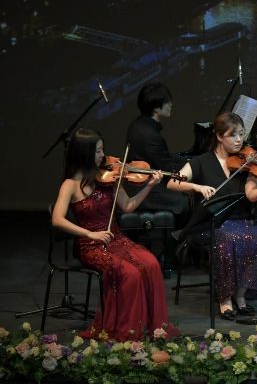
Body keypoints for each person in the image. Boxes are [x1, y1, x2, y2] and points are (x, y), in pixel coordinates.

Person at [51, 128, 176, 341]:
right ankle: (126, 329)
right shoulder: (70, 185)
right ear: (84, 153)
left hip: (116, 239)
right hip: (91, 246)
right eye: (98, 151)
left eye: (102, 150)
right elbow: (57, 219)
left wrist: (149, 185)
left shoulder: (108, 179)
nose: (103, 156)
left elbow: (128, 206)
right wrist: (90, 234)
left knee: (152, 264)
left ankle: (148, 326)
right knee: (131, 273)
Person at [167, 112, 257, 320]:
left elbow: (251, 195)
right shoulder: (201, 162)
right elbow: (172, 182)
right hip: (210, 224)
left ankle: (240, 295)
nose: (239, 140)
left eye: (241, 134)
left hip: (241, 222)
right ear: (220, 136)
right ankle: (224, 299)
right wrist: (197, 186)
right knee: (227, 239)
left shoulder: (247, 163)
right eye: (233, 135)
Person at [125, 82, 191, 228]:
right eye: (167, 102)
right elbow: (168, 167)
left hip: (149, 181)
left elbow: (164, 157)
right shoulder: (149, 135)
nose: (171, 104)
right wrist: (195, 165)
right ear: (156, 108)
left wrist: (190, 161)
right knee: (185, 201)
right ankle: (180, 237)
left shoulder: (139, 124)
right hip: (146, 188)